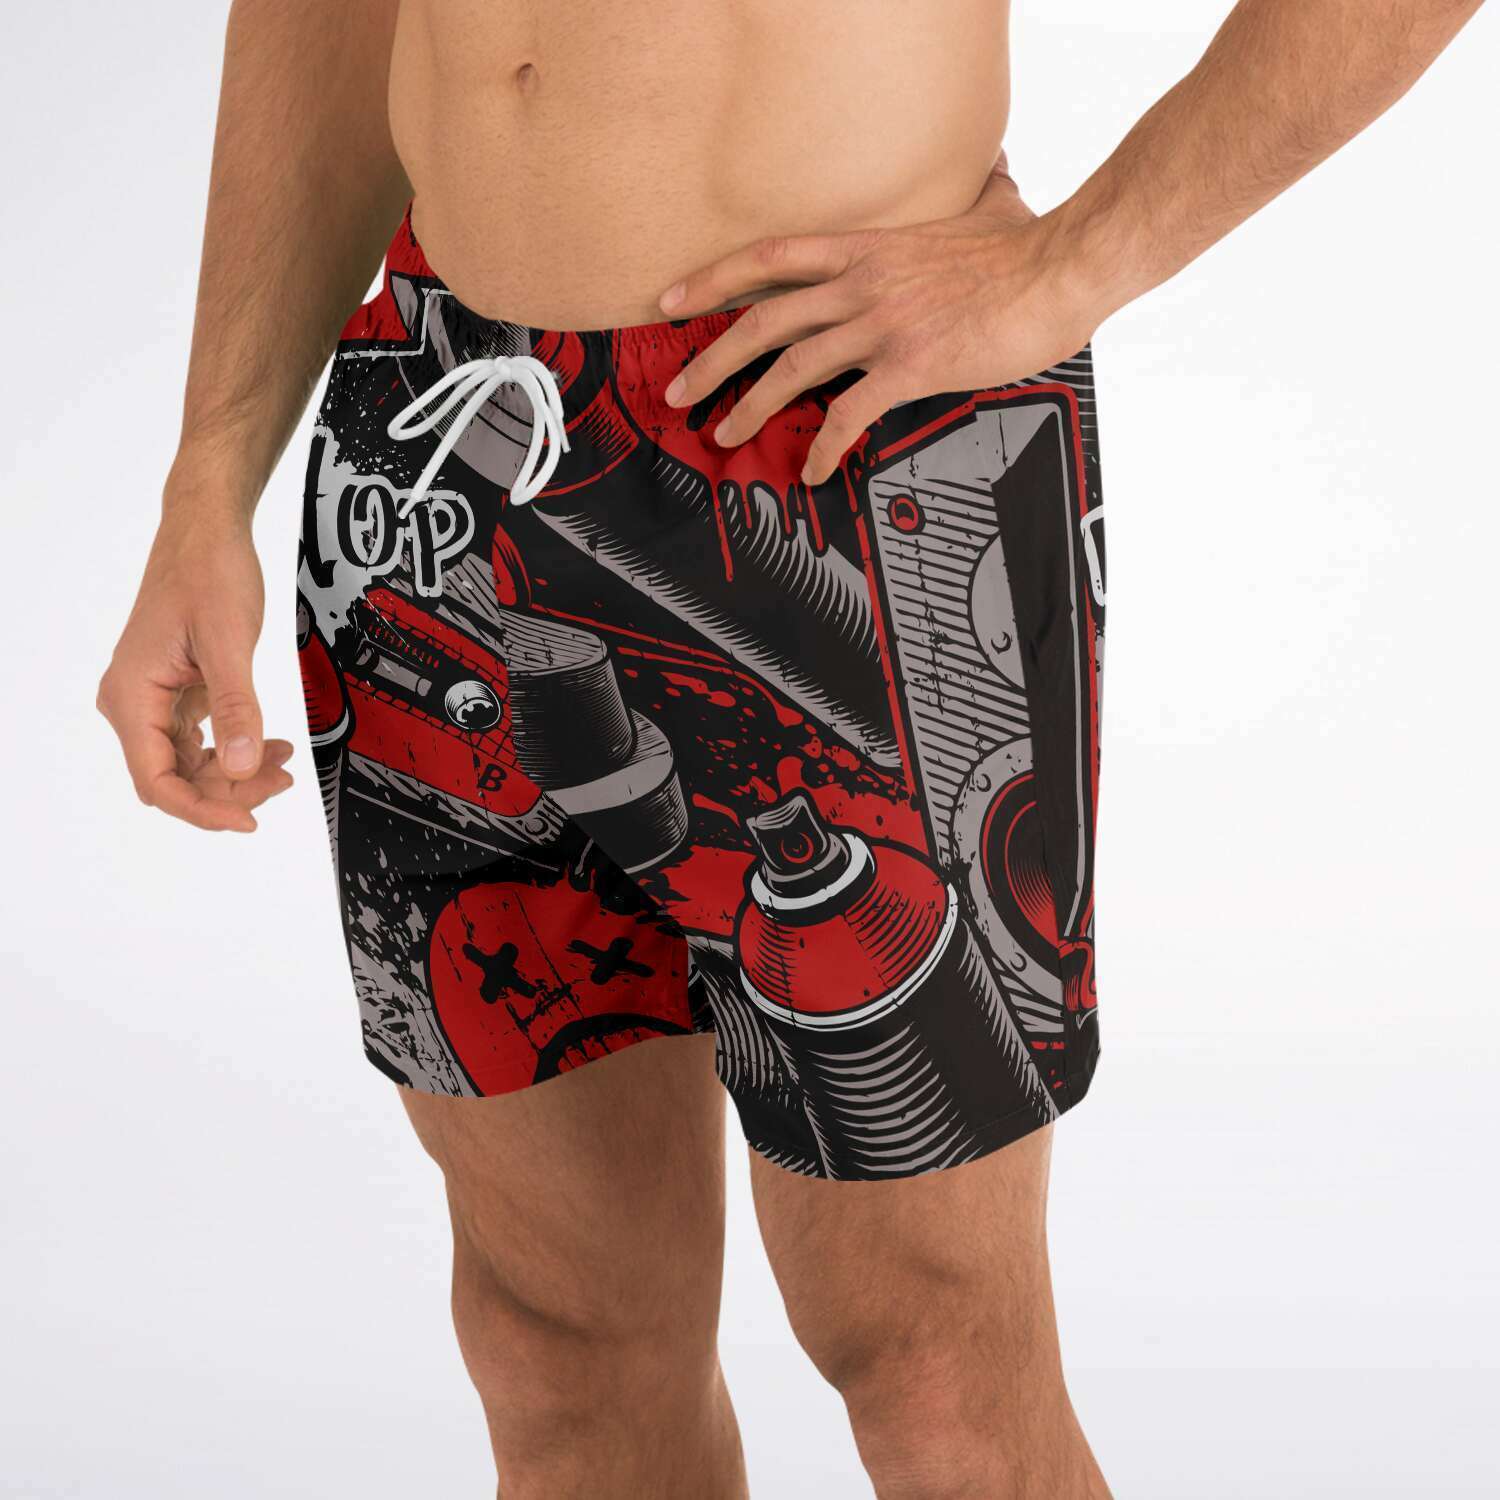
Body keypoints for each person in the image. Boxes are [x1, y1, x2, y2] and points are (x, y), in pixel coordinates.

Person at [97, 3, 1485, 1496]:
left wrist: (1074, 264)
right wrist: (208, 475)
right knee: (556, 1342)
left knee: (934, 1363)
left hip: (839, 428)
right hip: (437, 423)